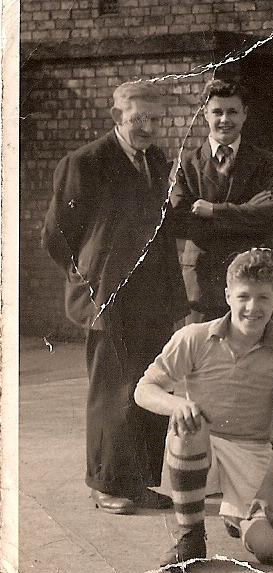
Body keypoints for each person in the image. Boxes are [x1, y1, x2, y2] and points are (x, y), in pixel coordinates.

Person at [41, 80, 188, 515]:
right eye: (138, 118)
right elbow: (56, 235)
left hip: (154, 293)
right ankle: (105, 483)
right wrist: (86, 279)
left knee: (150, 385)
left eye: (155, 119)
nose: (147, 127)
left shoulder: (156, 160)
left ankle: (140, 483)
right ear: (117, 117)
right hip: (109, 296)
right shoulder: (85, 162)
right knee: (112, 391)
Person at [134, 249, 273, 571]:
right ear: (228, 295)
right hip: (203, 443)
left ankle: (236, 514)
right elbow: (143, 390)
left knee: (271, 550)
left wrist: (270, 486)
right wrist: (178, 403)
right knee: (189, 423)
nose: (252, 307)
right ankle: (191, 536)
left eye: (263, 298)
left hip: (251, 449)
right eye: (243, 296)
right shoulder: (194, 337)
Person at [171, 79, 273, 322]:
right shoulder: (185, 164)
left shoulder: (266, 162)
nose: (225, 119)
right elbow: (181, 222)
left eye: (232, 112)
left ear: (245, 114)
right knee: (200, 353)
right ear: (205, 113)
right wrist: (248, 213)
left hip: (252, 279)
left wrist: (214, 210)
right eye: (217, 112)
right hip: (202, 280)